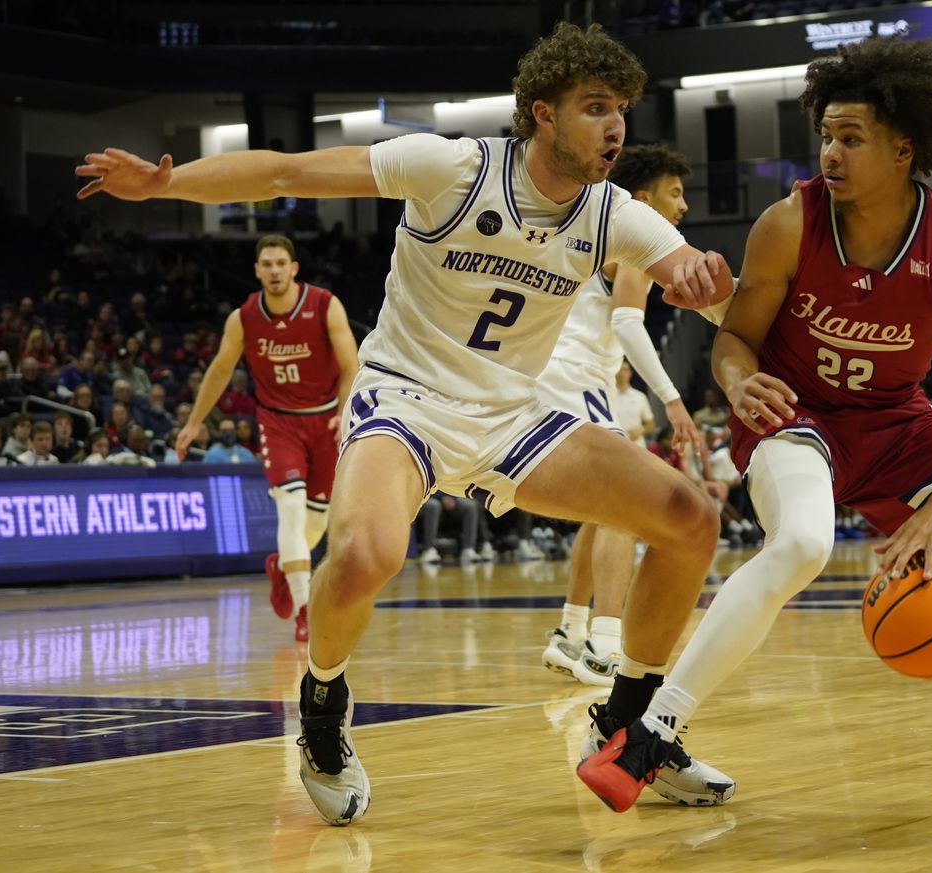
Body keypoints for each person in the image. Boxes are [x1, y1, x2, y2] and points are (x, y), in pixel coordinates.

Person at [77, 21, 736, 826]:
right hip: (407, 398)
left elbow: (683, 269)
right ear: (542, 114)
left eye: (622, 110)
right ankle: (321, 709)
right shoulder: (453, 166)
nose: (615, 128)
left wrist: (703, 283)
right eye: (595, 107)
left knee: (690, 519)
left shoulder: (610, 213)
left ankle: (628, 722)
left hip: (513, 416)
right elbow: (288, 169)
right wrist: (162, 186)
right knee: (363, 553)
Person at [577, 37, 932, 827]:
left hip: (895, 422)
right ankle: (652, 732)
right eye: (826, 135)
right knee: (802, 542)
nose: (830, 152)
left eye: (851, 137)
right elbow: (734, 340)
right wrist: (735, 378)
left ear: (903, 150)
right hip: (793, 413)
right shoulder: (788, 222)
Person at [537, 143, 705, 687]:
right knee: (623, 503)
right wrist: (672, 398)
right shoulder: (633, 242)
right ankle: (607, 646)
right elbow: (630, 325)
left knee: (600, 509)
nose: (682, 206)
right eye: (674, 193)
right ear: (642, 198)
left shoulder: (593, 229)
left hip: (564, 374)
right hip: (571, 375)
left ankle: (570, 633)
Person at [174, 234, 360, 642]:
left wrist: (345, 408)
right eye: (267, 264)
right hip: (278, 423)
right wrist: (194, 422)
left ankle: (283, 565)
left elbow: (352, 365)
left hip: (325, 420)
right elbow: (221, 370)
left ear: (293, 269)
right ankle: (304, 608)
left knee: (316, 522)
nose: (274, 271)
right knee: (290, 512)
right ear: (257, 271)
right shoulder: (243, 318)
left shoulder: (325, 305)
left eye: (281, 264)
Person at [611, 360, 654, 443]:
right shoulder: (607, 395)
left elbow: (651, 424)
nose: (622, 373)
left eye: (625, 369)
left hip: (636, 445)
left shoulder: (640, 396)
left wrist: (641, 429)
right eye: (619, 369)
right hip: (614, 445)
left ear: (630, 373)